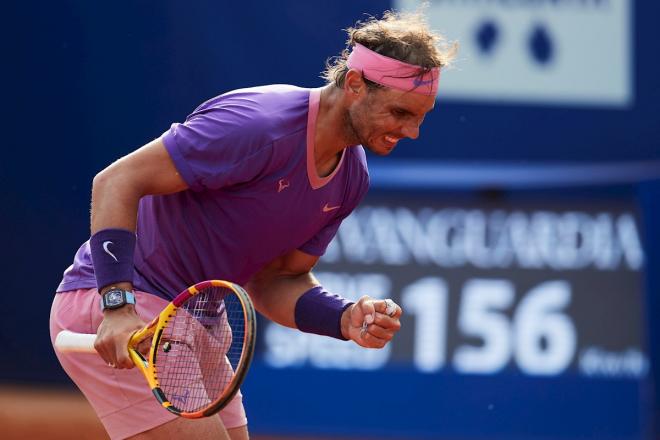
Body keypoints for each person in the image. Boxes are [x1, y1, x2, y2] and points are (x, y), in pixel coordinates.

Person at [49, 9, 455, 440]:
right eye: (400, 112)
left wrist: (344, 317)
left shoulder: (352, 178)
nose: (411, 132)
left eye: (420, 117)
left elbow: (276, 280)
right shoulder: (258, 124)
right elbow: (116, 180)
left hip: (194, 324)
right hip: (126, 306)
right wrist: (117, 305)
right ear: (355, 84)